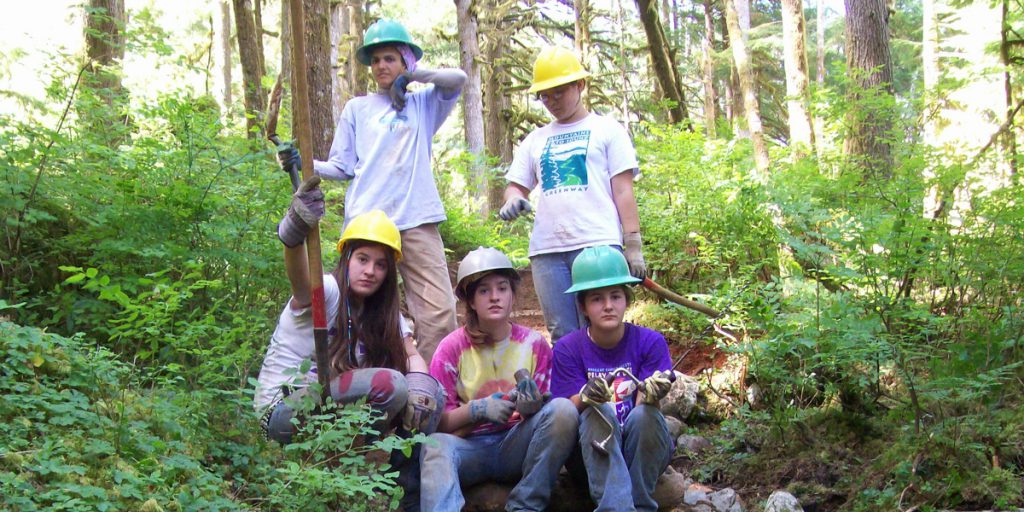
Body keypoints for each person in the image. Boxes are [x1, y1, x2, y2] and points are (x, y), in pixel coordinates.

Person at [279, 19, 466, 362]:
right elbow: (341, 166)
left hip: (416, 218)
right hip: (366, 224)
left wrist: (413, 77)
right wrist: (302, 162)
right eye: (376, 59)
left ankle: (422, 392)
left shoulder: (424, 103)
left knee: (440, 316)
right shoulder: (358, 109)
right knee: (360, 314)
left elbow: (459, 79)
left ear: (405, 60)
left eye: (390, 58)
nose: (381, 65)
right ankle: (368, 391)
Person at [254, 178, 443, 511]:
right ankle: (349, 467)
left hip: (333, 417)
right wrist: (294, 235)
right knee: (390, 384)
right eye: (363, 259)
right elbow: (301, 284)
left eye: (381, 264)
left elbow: (413, 355)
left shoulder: (384, 315)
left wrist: (420, 388)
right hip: (284, 413)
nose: (370, 271)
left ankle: (405, 494)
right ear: (347, 258)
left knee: (429, 392)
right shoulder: (327, 290)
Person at [499, 46, 647, 342]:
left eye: (559, 91)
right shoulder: (535, 140)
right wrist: (512, 199)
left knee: (604, 329)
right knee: (564, 335)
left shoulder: (607, 129)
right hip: (548, 251)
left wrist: (633, 244)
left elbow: (623, 189)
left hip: (598, 244)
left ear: (580, 85)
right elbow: (515, 185)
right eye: (545, 95)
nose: (552, 101)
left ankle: (612, 388)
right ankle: (576, 390)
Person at [420, 247, 579, 511]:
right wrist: (478, 409)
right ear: (470, 300)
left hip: (517, 445)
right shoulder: (451, 348)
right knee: (434, 447)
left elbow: (548, 417)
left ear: (513, 295)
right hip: (468, 448)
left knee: (563, 409)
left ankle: (526, 504)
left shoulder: (535, 345)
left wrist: (531, 406)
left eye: (502, 288)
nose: (494, 297)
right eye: (484, 290)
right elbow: (437, 424)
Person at [549, 245, 675, 512]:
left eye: (615, 296)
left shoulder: (651, 342)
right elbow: (561, 414)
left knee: (645, 416)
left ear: (626, 300)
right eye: (596, 299)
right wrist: (584, 397)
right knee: (598, 412)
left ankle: (640, 505)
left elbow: (645, 416)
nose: (608, 306)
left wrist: (651, 395)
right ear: (583, 306)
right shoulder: (567, 348)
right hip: (589, 456)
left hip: (639, 451)